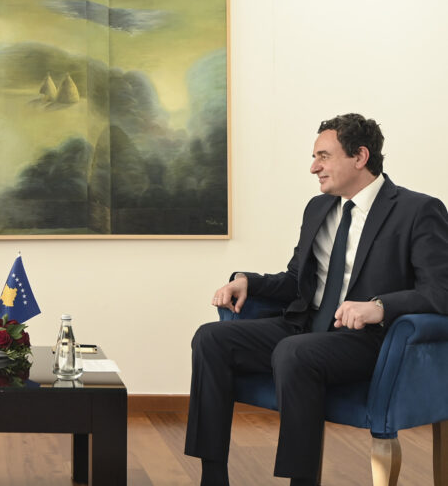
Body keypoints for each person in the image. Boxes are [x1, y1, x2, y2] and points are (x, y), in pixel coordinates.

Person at [184, 113, 448, 486]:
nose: (314, 167)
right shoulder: (319, 208)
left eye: (323, 156)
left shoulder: (418, 210)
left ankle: (302, 482)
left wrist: (380, 307)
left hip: (370, 341)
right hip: (306, 326)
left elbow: (440, 292)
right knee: (210, 339)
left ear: (360, 157)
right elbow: (297, 280)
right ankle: (213, 477)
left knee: (294, 352)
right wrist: (249, 283)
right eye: (314, 157)